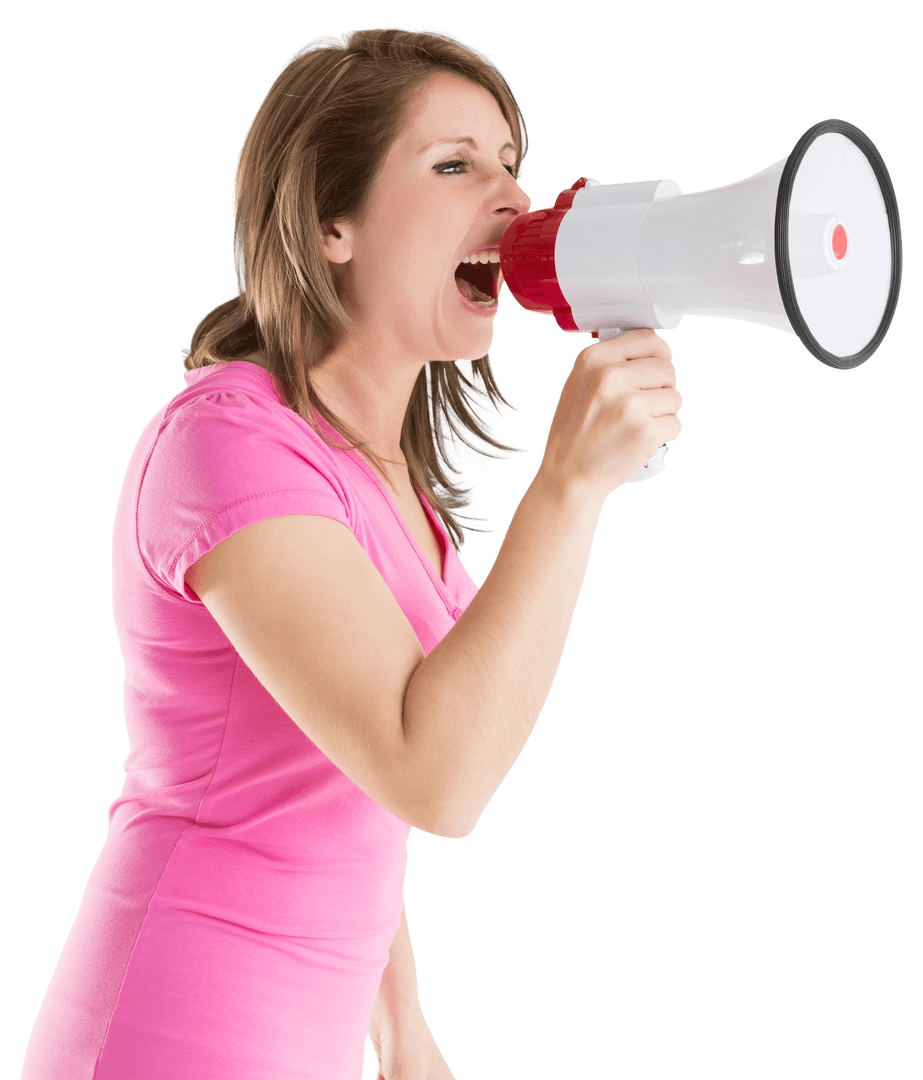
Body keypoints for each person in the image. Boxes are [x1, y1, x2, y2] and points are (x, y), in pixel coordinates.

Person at [20, 25, 682, 1080]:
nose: (512, 200)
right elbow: (434, 776)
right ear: (332, 221)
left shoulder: (387, 481)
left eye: (511, 164)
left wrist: (403, 1027)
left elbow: (349, 772)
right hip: (174, 1029)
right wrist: (569, 486)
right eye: (455, 164)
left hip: (303, 1043)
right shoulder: (224, 446)